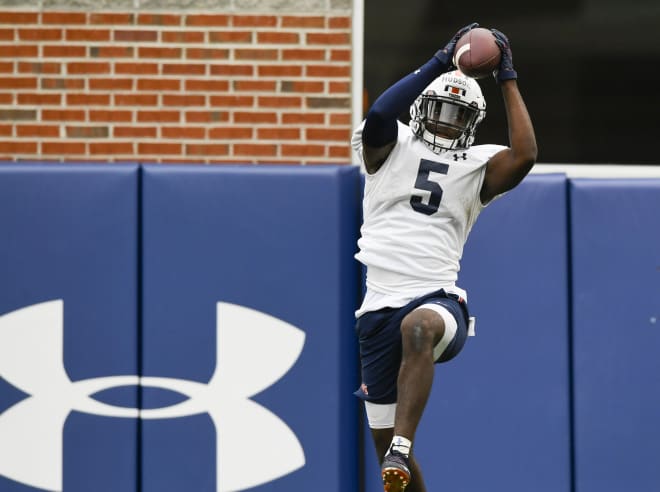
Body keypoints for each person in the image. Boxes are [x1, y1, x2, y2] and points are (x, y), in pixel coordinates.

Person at [351, 23, 537, 492]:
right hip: (376, 311)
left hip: (437, 298)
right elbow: (378, 114)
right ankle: (396, 451)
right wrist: (441, 59)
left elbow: (526, 154)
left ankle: (403, 444)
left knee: (421, 328)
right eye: (442, 109)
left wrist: (507, 78)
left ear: (472, 122)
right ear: (421, 109)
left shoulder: (477, 166)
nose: (448, 120)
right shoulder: (389, 146)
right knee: (385, 461)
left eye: (459, 114)